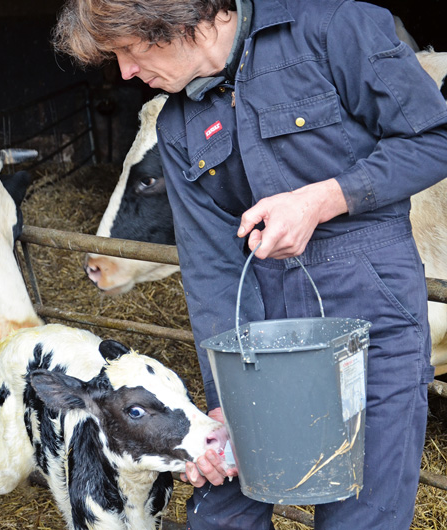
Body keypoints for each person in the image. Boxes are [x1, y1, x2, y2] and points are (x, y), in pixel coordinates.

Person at [52, 1, 447, 528]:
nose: (125, 73)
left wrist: (323, 200)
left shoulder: (332, 28)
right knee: (222, 515)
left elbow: (435, 137)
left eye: (129, 50)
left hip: (371, 323)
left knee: (362, 515)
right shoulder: (177, 125)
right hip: (257, 337)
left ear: (174, 18)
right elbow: (211, 268)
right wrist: (226, 403)